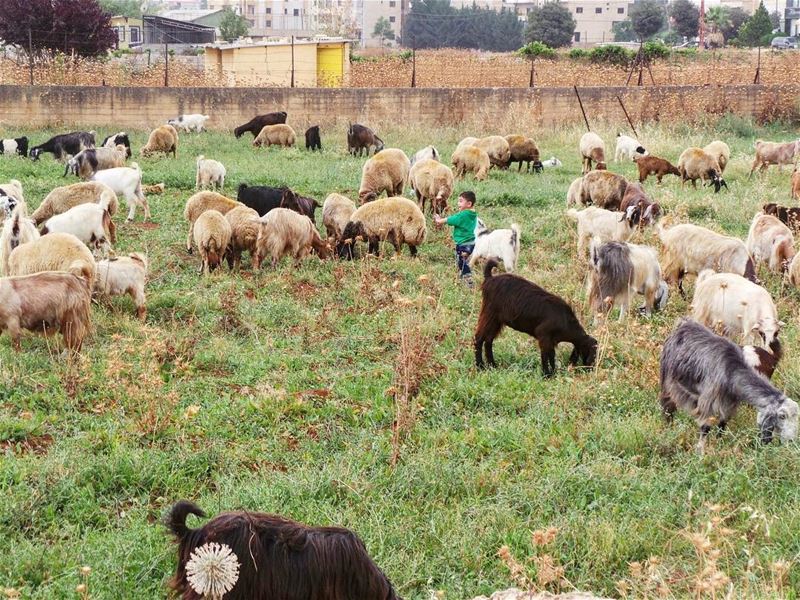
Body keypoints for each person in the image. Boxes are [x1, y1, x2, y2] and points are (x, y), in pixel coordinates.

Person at [434, 191, 477, 286]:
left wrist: (439, 220)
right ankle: (461, 274)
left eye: (461, 201)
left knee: (460, 260)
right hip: (471, 242)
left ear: (469, 204)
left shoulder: (463, 214)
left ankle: (468, 278)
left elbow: (452, 219)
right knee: (464, 260)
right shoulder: (473, 214)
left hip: (463, 243)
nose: (458, 203)